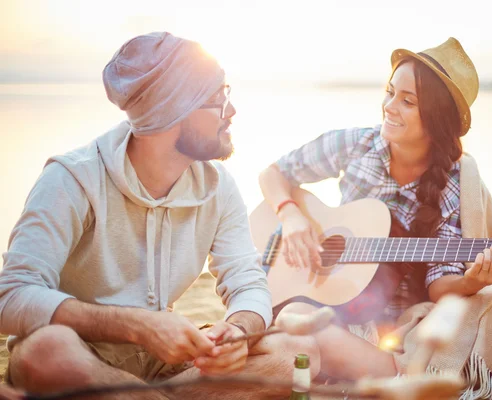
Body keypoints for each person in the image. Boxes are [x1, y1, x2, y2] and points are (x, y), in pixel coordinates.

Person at [258, 37, 492, 399]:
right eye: (390, 92)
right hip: (343, 307)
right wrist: (291, 215)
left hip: (410, 325)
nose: (389, 107)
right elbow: (274, 173)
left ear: (436, 119)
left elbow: (440, 285)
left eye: (407, 101)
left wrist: (472, 281)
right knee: (293, 316)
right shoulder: (356, 144)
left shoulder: (453, 185)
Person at [0, 32, 317, 400]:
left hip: (165, 365)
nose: (230, 111)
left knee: (294, 351)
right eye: (217, 98)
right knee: (44, 352)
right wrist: (137, 326)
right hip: (82, 353)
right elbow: (12, 296)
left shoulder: (219, 186)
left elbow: (248, 281)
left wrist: (238, 329)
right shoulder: (72, 178)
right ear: (171, 111)